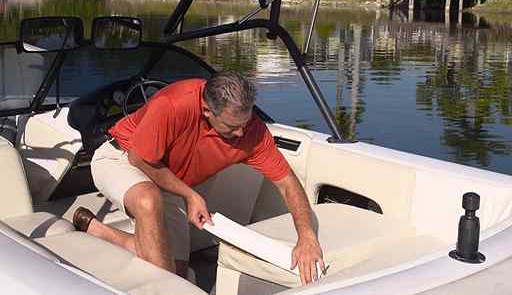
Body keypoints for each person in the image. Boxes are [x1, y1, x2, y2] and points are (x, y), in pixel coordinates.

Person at [73, 71, 325, 285]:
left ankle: (98, 230)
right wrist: (190, 195)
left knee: (178, 272)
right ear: (206, 110)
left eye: (245, 123)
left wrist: (306, 237)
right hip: (122, 157)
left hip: (168, 180)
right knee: (148, 200)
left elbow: (287, 182)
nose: (240, 133)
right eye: (231, 127)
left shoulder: (252, 131)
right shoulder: (173, 103)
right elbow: (139, 159)